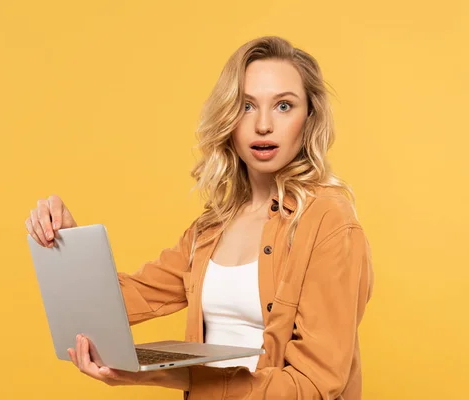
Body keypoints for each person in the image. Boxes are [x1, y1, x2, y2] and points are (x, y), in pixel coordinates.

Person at [25, 36, 374, 400]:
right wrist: (66, 244)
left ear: (309, 119)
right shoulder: (212, 227)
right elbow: (125, 299)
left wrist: (176, 379)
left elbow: (315, 384)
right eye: (247, 106)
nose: (264, 125)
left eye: (284, 105)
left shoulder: (329, 221)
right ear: (228, 117)